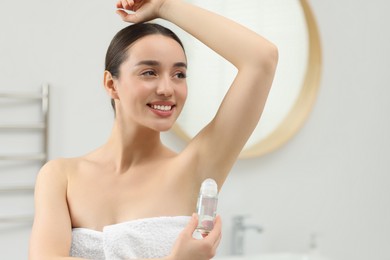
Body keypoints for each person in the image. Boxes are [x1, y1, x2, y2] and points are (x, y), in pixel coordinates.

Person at [28, 0, 278, 259]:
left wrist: (163, 6)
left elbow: (261, 58)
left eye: (179, 74)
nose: (167, 89)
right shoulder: (61, 177)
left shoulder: (196, 168)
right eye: (149, 72)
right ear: (111, 85)